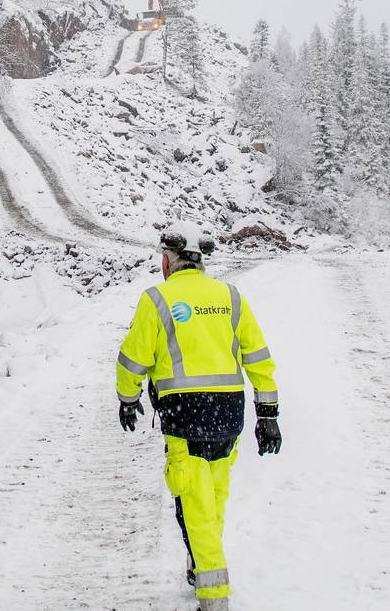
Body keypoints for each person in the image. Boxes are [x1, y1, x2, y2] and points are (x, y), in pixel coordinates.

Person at [116, 224, 281, 611]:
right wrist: (268, 413)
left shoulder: (156, 298)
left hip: (184, 414)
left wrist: (127, 398)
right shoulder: (230, 296)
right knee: (213, 499)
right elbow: (258, 356)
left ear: (168, 262)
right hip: (228, 412)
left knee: (195, 505)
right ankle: (199, 561)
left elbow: (134, 357)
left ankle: (213, 595)